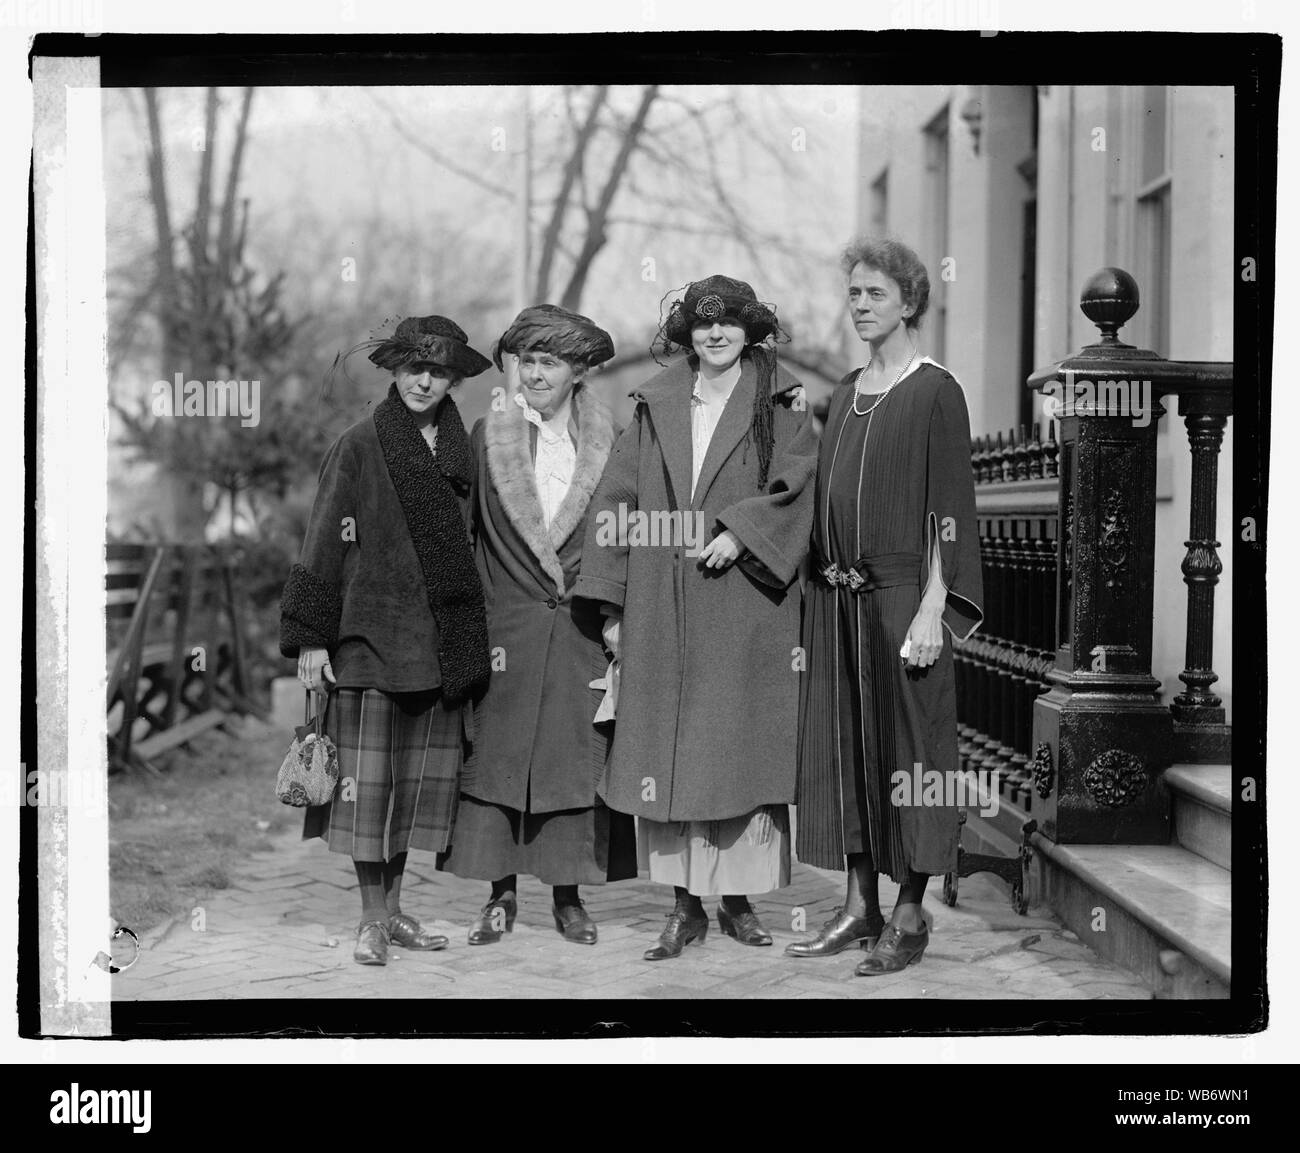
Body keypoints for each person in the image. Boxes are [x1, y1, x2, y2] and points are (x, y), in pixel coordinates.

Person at [575, 274, 818, 961]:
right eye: (703, 326)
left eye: (730, 325)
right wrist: (613, 606)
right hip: (661, 604)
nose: (715, 336)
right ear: (687, 334)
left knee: (736, 752)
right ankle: (684, 908)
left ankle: (738, 902)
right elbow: (614, 502)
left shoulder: (783, 399)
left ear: (750, 331)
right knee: (672, 758)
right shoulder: (654, 404)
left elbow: (800, 480)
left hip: (746, 603)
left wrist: (743, 531)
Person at [787, 237, 982, 976]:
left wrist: (934, 607)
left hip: (906, 600)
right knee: (849, 751)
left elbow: (952, 512)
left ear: (909, 301)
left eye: (875, 294)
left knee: (915, 753)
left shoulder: (935, 390)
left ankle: (909, 911)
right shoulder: (843, 390)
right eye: (854, 294)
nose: (861, 305)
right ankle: (857, 902)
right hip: (843, 600)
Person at [279, 314, 493, 966]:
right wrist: (312, 640)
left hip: (434, 644)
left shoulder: (461, 452)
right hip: (365, 641)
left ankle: (396, 912)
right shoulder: (359, 445)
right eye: (412, 368)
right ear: (395, 371)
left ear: (454, 377)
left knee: (410, 790)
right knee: (365, 791)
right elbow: (320, 542)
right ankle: (371, 918)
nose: (424, 380)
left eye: (437, 370)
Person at [437, 304, 636, 945]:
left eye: (550, 362)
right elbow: (461, 539)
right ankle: (499, 895)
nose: (535, 374)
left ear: (579, 371)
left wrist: (619, 619)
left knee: (571, 762)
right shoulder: (487, 436)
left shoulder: (613, 444)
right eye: (526, 361)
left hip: (580, 630)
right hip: (507, 631)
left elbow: (624, 539)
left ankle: (569, 897)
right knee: (498, 759)